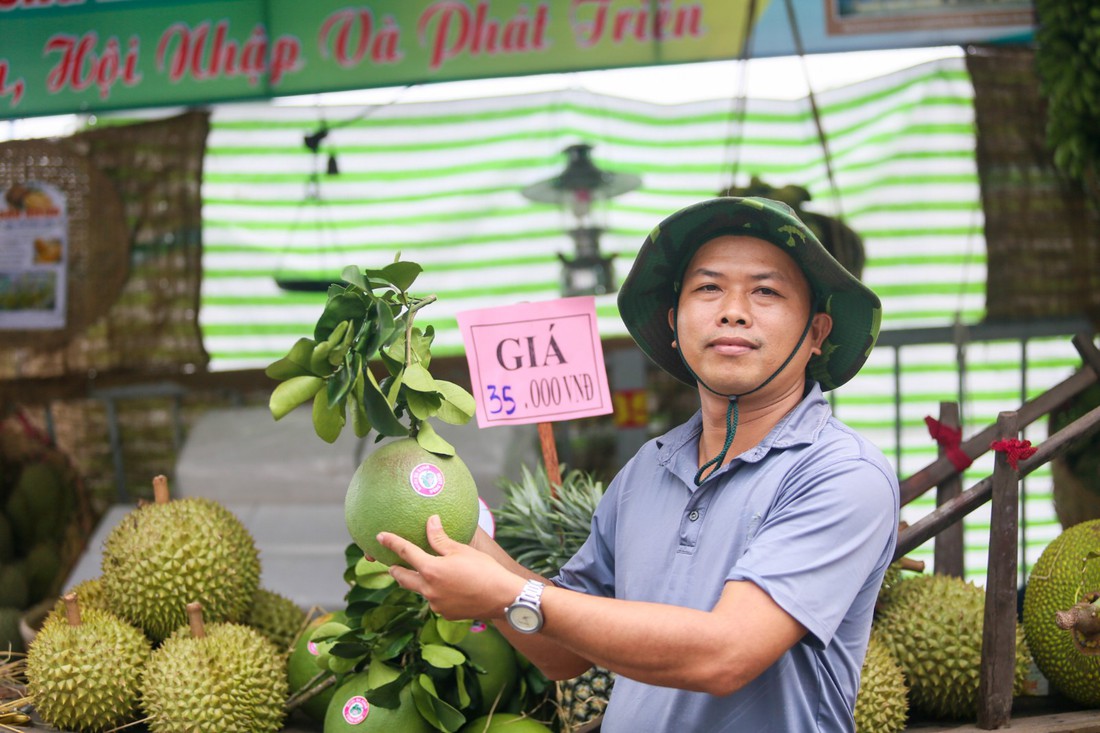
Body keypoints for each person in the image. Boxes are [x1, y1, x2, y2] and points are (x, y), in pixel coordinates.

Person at [378, 196, 900, 732]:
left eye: (766, 291)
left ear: (816, 333)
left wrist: (510, 593)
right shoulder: (648, 470)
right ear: (675, 323)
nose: (734, 310)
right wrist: (466, 533)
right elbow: (563, 654)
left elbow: (728, 653)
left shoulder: (841, 473)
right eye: (708, 287)